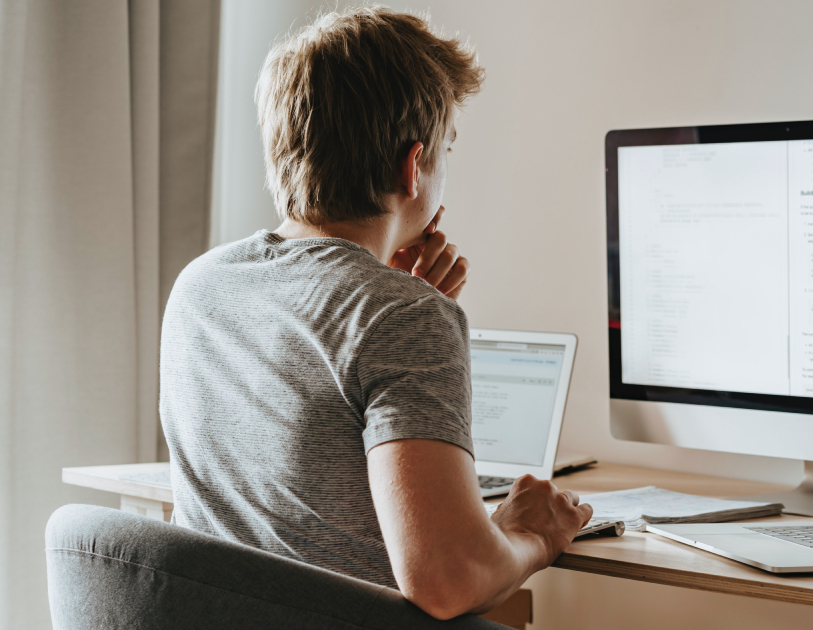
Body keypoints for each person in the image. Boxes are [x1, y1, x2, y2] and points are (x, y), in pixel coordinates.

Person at [159, 6, 592, 620]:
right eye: (446, 149)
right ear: (413, 167)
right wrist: (533, 535)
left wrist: (393, 304)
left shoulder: (199, 287)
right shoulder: (400, 316)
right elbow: (445, 581)